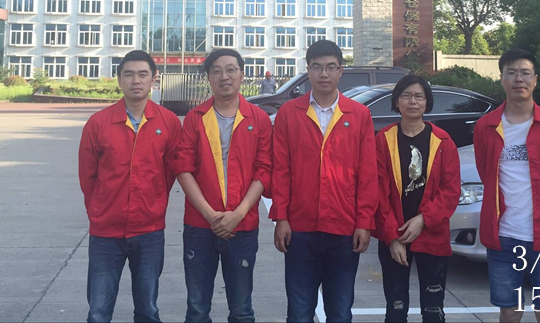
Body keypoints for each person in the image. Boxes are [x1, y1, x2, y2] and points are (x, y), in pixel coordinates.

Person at [271, 40, 378, 323]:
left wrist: (364, 222)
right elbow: (280, 170)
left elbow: (368, 174)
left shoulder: (359, 115)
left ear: (341, 71)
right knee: (299, 313)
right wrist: (281, 217)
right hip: (299, 229)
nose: (324, 74)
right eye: (317, 67)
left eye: (331, 67)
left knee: (340, 312)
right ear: (308, 71)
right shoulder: (289, 113)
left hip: (343, 228)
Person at [78, 50, 181, 323]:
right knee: (98, 311)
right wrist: (100, 210)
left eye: (143, 74)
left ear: (153, 79)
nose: (136, 80)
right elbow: (88, 177)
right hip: (106, 231)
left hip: (149, 230)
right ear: (119, 80)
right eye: (129, 74)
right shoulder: (98, 123)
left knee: (148, 310)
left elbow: (170, 172)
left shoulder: (168, 122)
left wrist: (154, 204)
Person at [474, 49, 540, 323]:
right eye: (511, 72)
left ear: (535, 79)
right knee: (509, 311)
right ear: (502, 79)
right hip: (504, 235)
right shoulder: (485, 126)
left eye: (525, 73)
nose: (519, 79)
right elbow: (486, 173)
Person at [172, 48, 272, 323]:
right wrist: (210, 215)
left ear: (241, 74)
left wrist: (238, 214)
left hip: (243, 225)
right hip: (199, 226)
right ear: (209, 78)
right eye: (216, 71)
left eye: (230, 70)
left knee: (241, 310)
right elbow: (183, 168)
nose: (224, 76)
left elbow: (264, 170)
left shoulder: (258, 119)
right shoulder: (195, 118)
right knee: (197, 310)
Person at [374, 75, 460, 323]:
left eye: (419, 96)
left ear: (427, 102)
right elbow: (378, 192)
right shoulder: (384, 140)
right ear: (397, 101)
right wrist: (392, 237)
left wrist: (424, 219)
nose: (413, 101)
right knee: (396, 309)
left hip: (432, 235)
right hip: (395, 236)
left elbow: (451, 190)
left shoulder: (442, 141)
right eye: (406, 96)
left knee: (433, 311)